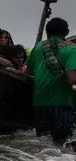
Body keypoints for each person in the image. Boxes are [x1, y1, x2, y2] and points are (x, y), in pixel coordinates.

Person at [25, 17, 76, 149]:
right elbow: (72, 79)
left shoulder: (38, 47)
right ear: (67, 32)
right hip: (62, 104)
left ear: (47, 32)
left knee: (43, 147)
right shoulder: (72, 49)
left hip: (39, 104)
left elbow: (28, 71)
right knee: (62, 147)